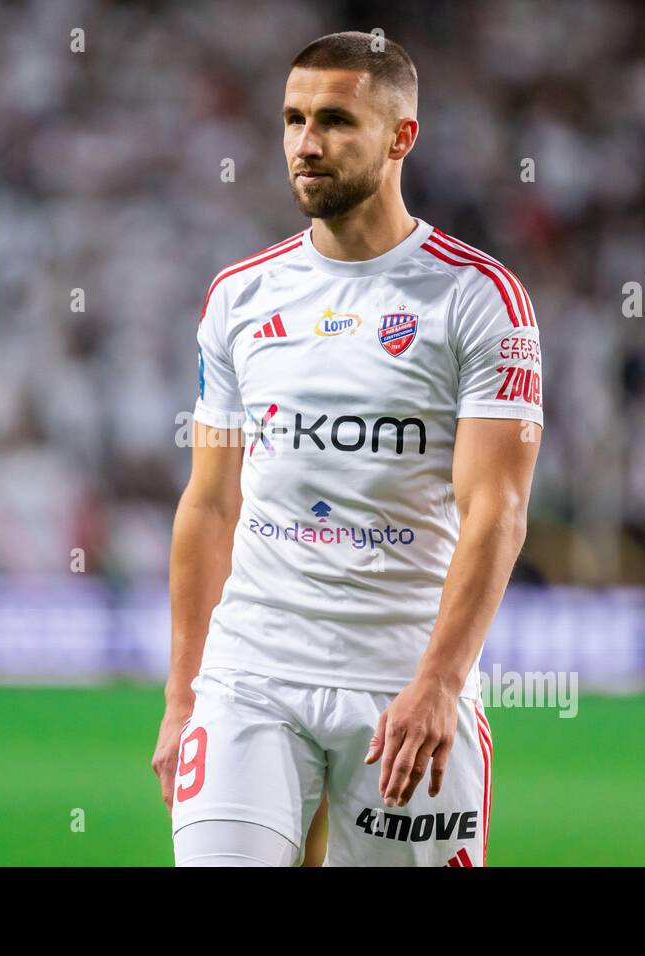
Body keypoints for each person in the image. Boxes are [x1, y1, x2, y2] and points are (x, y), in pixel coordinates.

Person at [153, 31, 542, 866]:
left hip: (404, 680)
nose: (306, 143)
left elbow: (496, 508)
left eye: (334, 120)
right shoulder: (239, 297)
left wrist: (441, 680)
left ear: (401, 137)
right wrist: (183, 691)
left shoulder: (480, 299)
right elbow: (210, 503)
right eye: (293, 119)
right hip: (250, 676)